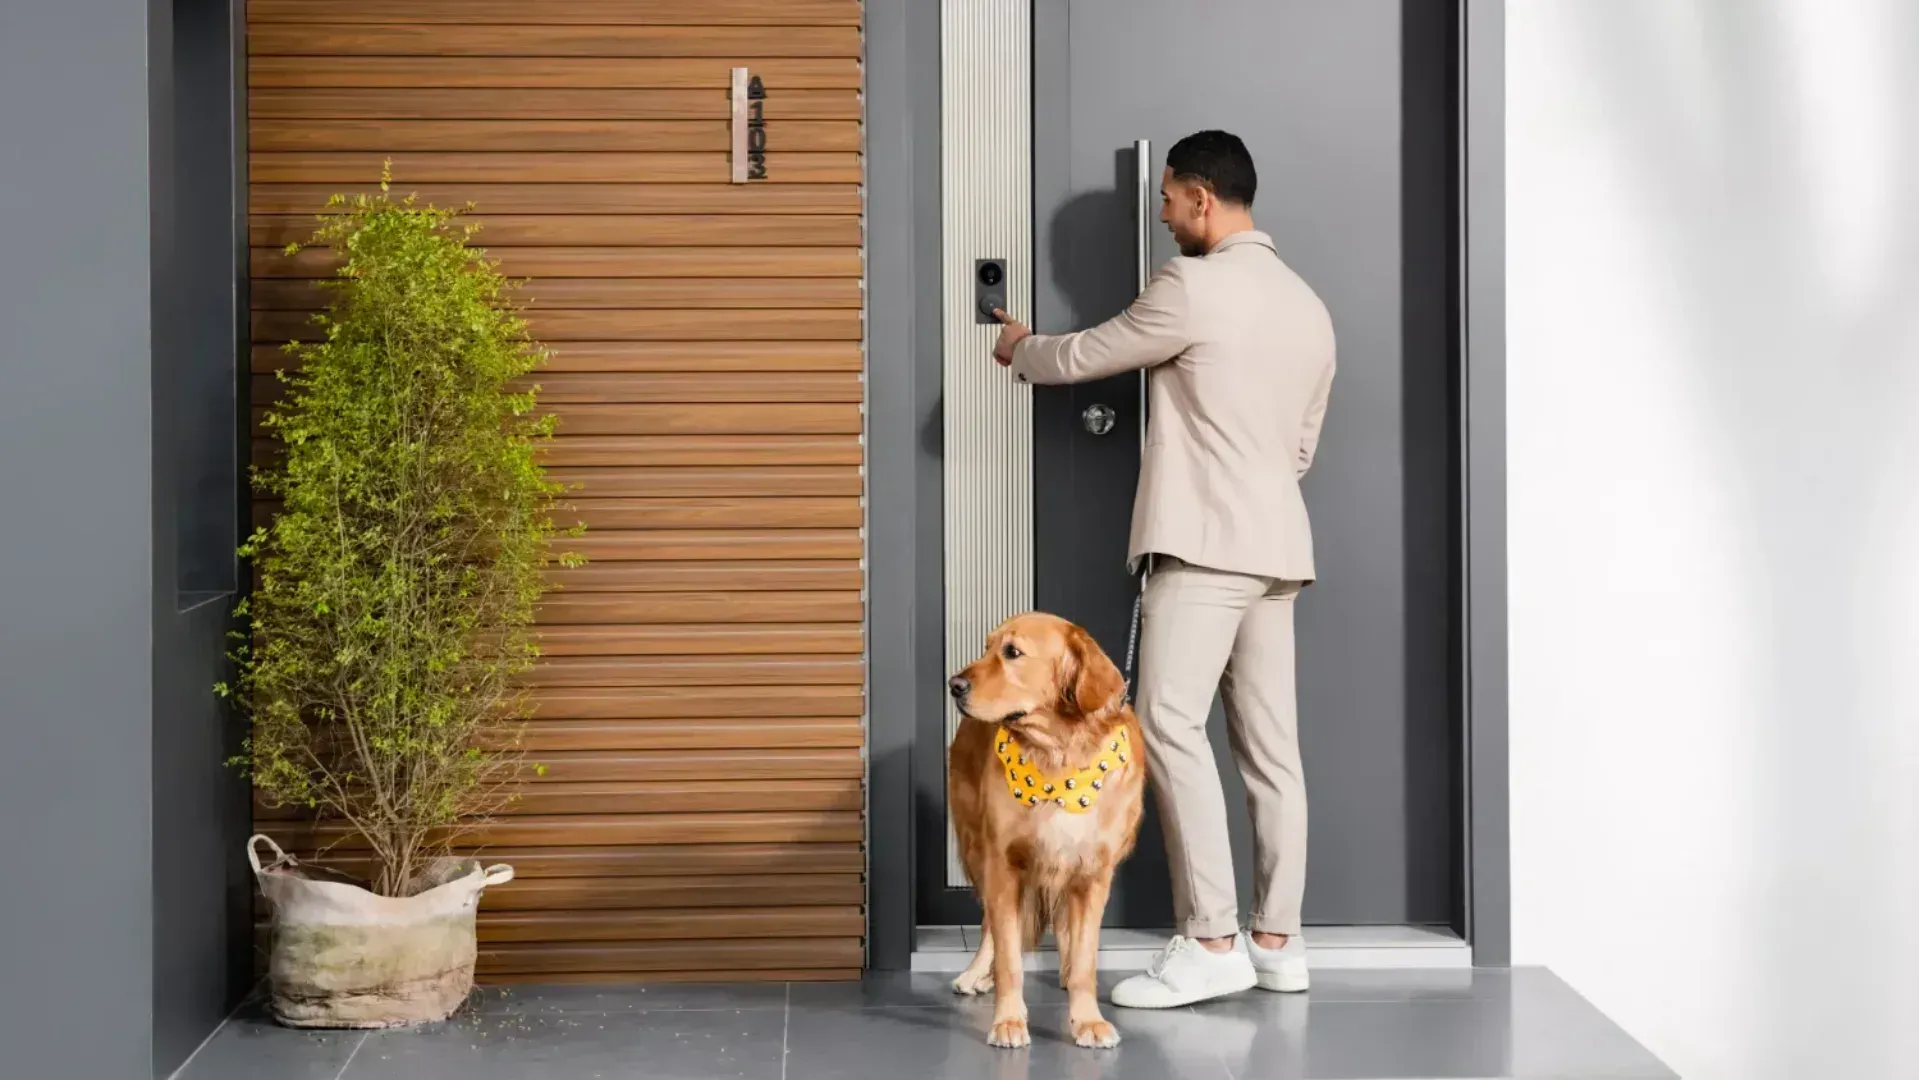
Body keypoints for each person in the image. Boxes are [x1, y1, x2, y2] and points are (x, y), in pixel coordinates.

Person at [990, 130, 1335, 1009]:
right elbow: (1299, 448)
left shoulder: (1191, 284)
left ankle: (1213, 938)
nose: (1163, 215)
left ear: (1201, 199)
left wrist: (1018, 346)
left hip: (1205, 545)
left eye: (1169, 200)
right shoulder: (1307, 304)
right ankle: (1278, 942)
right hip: (1277, 548)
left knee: (1168, 725)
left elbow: (1086, 355)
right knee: (1272, 751)